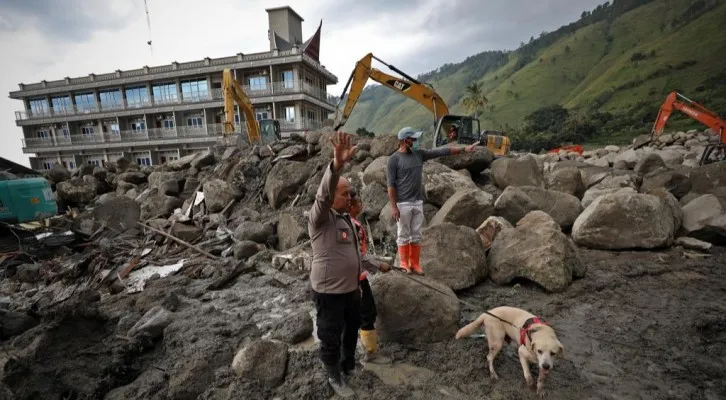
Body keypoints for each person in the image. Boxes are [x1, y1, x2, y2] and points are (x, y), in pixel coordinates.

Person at [307, 131, 361, 398]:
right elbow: (323, 195)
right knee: (329, 335)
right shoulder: (320, 217)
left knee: (351, 331)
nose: (349, 198)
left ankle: (348, 364)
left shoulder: (345, 219)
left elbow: (351, 254)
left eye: (351, 193)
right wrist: (337, 167)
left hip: (351, 290)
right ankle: (333, 375)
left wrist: (375, 264)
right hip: (329, 293)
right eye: (344, 193)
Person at [386, 126, 477, 274]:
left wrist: (464, 149)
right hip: (403, 203)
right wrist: (393, 206)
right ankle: (404, 263)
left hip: (418, 201)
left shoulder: (418, 154)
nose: (415, 141)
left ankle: (415, 264)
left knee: (416, 233)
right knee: (403, 234)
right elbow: (391, 185)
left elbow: (441, 151)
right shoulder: (393, 160)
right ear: (404, 140)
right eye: (413, 139)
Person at [347, 188, 392, 365]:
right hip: (356, 278)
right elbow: (358, 256)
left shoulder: (347, 223)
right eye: (358, 203)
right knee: (367, 312)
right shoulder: (355, 227)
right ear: (350, 207)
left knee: (358, 314)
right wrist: (379, 265)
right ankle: (371, 353)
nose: (361, 205)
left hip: (349, 276)